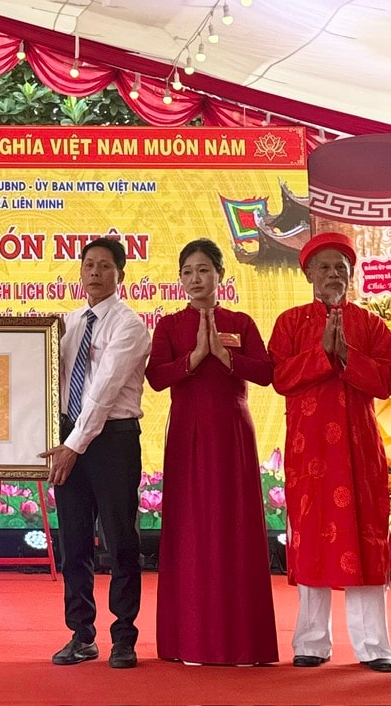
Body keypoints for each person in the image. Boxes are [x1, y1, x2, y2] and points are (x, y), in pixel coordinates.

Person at [268, 233, 391, 672]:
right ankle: (311, 642)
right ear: (308, 274)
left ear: (351, 273)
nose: (332, 274)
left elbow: (386, 381)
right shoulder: (289, 322)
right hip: (311, 454)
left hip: (360, 451)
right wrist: (322, 354)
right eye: (323, 267)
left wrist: (347, 356)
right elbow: (280, 377)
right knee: (311, 539)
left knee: (366, 540)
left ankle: (374, 647)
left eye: (340, 267)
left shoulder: (371, 325)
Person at [145, 237, 278, 666]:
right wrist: (196, 357)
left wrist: (225, 356)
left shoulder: (240, 322)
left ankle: (243, 643)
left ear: (221, 275)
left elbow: (267, 373)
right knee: (191, 529)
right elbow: (156, 377)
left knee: (234, 527)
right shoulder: (169, 326)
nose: (195, 279)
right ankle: (190, 639)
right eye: (187, 272)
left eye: (204, 270)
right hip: (187, 435)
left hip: (232, 434)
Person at [38, 237, 150, 670]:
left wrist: (72, 446)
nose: (96, 273)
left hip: (113, 441)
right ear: (80, 272)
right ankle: (81, 635)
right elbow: (46, 382)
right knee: (74, 542)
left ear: (120, 274)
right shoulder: (67, 324)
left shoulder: (129, 326)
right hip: (69, 438)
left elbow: (102, 393)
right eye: (89, 265)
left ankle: (124, 637)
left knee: (120, 541)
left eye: (105, 266)